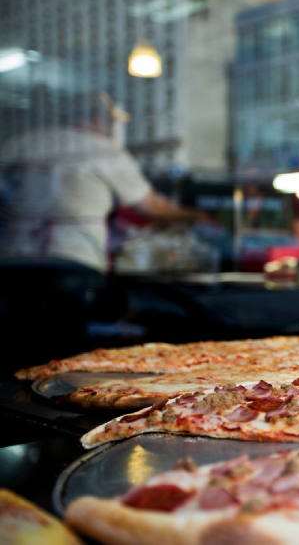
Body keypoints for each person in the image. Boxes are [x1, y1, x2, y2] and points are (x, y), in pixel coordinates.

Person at [0, 90, 202, 370]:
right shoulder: (100, 149)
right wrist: (198, 215)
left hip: (13, 258)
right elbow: (151, 207)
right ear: (98, 119)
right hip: (73, 258)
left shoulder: (20, 143)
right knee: (66, 347)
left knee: (15, 342)